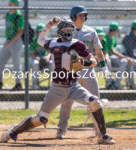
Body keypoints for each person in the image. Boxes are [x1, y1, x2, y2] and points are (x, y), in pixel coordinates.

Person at [0, 17, 115, 145]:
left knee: (95, 102)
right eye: (65, 28)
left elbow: (93, 61)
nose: (69, 31)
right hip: (56, 88)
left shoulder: (78, 44)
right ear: (59, 31)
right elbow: (40, 40)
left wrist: (83, 61)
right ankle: (13, 131)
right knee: (41, 118)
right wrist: (49, 25)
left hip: (73, 86)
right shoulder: (53, 42)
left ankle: (103, 136)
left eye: (71, 29)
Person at [56, 6, 114, 145]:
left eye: (84, 15)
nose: (83, 17)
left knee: (96, 101)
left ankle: (100, 132)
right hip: (71, 72)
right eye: (80, 15)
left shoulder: (91, 32)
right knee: (67, 101)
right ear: (73, 17)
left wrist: (104, 67)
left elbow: (98, 51)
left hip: (88, 71)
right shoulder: (66, 32)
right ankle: (61, 129)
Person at [0, 0, 24, 90]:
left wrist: (10, 42)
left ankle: (18, 84)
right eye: (13, 4)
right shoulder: (8, 14)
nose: (14, 5)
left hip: (15, 42)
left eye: (16, 4)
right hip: (8, 41)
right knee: (1, 62)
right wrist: (7, 41)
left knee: (16, 64)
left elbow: (20, 32)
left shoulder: (18, 15)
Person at [101, 21, 134, 89]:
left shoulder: (113, 38)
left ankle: (117, 84)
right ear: (115, 30)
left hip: (113, 58)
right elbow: (112, 51)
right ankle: (111, 83)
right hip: (107, 58)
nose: (117, 32)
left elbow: (114, 51)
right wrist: (126, 57)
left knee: (125, 61)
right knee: (120, 60)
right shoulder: (105, 38)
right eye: (117, 30)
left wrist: (126, 58)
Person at [29, 23, 51, 90]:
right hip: (37, 58)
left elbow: (50, 52)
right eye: (39, 31)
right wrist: (36, 58)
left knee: (52, 63)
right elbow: (31, 54)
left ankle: (54, 83)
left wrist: (47, 57)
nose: (40, 33)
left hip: (45, 57)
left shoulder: (47, 40)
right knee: (35, 63)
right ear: (37, 32)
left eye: (42, 31)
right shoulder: (34, 40)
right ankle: (35, 83)